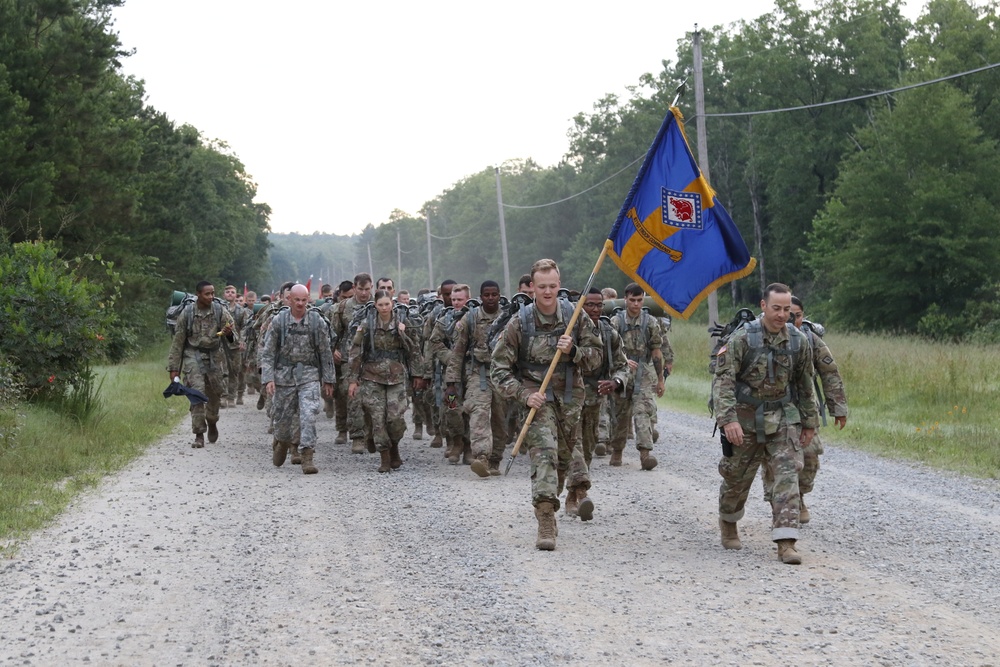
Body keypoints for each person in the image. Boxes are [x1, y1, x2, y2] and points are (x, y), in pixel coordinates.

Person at [491, 259, 602, 549]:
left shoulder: (574, 315)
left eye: (553, 285)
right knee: (545, 455)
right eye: (542, 287)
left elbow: (596, 358)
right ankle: (545, 520)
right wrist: (523, 394)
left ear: (559, 283)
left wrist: (574, 350)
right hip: (536, 399)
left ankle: (559, 493)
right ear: (533, 288)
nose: (548, 291)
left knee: (563, 460)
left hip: (569, 399)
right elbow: (499, 369)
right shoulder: (520, 322)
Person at [713, 283, 819, 565]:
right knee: (736, 478)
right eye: (776, 308)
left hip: (783, 419)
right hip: (744, 420)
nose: (782, 315)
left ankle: (786, 542)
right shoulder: (742, 339)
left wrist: (810, 422)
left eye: (787, 309)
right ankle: (729, 521)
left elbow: (805, 384)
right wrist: (728, 420)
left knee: (787, 474)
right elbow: (723, 382)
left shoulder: (798, 341)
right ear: (763, 306)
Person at [760, 295, 848, 523]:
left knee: (809, 459)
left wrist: (838, 407)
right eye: (786, 313)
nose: (789, 319)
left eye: (795, 315)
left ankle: (798, 496)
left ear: (802, 317)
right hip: (771, 410)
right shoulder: (759, 335)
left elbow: (830, 373)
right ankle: (780, 506)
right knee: (777, 461)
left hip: (805, 409)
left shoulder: (809, 339)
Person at [260, 284, 336, 474]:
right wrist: (268, 378)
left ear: (308, 299)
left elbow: (325, 352)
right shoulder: (279, 321)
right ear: (289, 299)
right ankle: (282, 442)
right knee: (283, 420)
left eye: (304, 300)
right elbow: (268, 353)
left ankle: (307, 456)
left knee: (309, 414)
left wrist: (328, 379)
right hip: (284, 374)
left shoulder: (316, 321)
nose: (301, 304)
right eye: (297, 300)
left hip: (309, 373)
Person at [347, 289, 423, 472]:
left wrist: (418, 374)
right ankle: (385, 457)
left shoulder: (403, 322)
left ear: (392, 304)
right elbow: (356, 352)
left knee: (395, 419)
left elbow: (414, 350)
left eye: (387, 304)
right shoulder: (367, 325)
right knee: (378, 418)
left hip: (396, 377)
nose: (383, 308)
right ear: (375, 305)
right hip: (372, 377)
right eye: (380, 304)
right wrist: (353, 379)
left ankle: (394, 447)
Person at [446, 280, 508, 477]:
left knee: (499, 417)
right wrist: (451, 382)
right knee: (478, 412)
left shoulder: (509, 319)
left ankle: (495, 459)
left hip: (502, 374)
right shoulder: (470, 319)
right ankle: (481, 456)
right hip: (477, 373)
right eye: (487, 295)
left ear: (499, 295)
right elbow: (457, 351)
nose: (491, 298)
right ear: (480, 297)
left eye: (494, 294)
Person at [166, 281, 236, 448]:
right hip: (192, 354)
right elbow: (178, 342)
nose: (211, 297)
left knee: (214, 394)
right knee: (196, 393)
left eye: (213, 293)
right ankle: (199, 433)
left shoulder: (220, 311)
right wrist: (174, 368)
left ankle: (212, 420)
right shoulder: (187, 314)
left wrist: (229, 334)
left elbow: (233, 337)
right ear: (198, 294)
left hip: (214, 356)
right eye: (207, 294)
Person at [608, 284, 667, 470]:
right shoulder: (615, 322)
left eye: (639, 300)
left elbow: (656, 352)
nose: (635, 304)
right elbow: (609, 349)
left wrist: (660, 379)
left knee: (643, 411)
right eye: (632, 300)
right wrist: (624, 361)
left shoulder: (650, 322)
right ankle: (617, 451)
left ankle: (645, 454)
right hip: (621, 373)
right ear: (625, 299)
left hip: (643, 372)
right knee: (620, 413)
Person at [579, 289, 631, 471]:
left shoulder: (608, 333)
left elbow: (622, 365)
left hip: (594, 399)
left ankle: (577, 488)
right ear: (580, 306)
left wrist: (616, 382)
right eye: (589, 305)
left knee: (587, 447)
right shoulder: (567, 331)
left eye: (599, 305)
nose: (595, 309)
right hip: (565, 400)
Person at [330, 273, 374, 451]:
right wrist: (333, 350)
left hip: (373, 359)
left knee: (372, 398)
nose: (364, 293)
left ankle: (372, 432)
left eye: (367, 289)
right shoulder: (342, 308)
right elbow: (333, 333)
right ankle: (356, 435)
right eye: (360, 289)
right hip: (349, 358)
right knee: (351, 395)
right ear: (354, 288)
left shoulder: (379, 306)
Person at [427, 283, 470, 464]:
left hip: (471, 374)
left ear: (467, 299)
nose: (456, 303)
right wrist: (451, 358)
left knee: (470, 411)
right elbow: (434, 342)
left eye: (460, 300)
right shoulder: (444, 320)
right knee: (452, 409)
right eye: (453, 300)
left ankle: (468, 446)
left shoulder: (475, 318)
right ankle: (456, 441)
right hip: (451, 377)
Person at [221, 284, 250, 407]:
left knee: (234, 371)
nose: (230, 294)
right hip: (220, 344)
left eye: (232, 292)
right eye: (227, 292)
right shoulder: (218, 308)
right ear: (224, 294)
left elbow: (245, 327)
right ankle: (223, 396)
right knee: (222, 371)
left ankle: (232, 397)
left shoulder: (241, 311)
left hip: (235, 345)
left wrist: (242, 341)